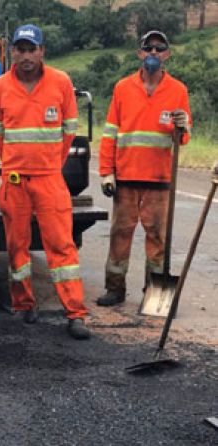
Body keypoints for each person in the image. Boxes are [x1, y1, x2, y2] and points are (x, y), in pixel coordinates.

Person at [0, 24, 90, 339]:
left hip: (49, 179)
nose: (26, 55)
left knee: (61, 245)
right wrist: (15, 165)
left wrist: (48, 164)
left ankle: (74, 313)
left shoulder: (61, 82)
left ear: (42, 51)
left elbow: (69, 130)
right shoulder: (0, 86)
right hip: (15, 179)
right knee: (16, 245)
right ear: (12, 53)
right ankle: (23, 305)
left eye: (32, 49)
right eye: (20, 49)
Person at [97, 30, 192, 307]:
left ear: (167, 55)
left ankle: (155, 295)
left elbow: (183, 138)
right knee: (120, 234)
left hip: (159, 178)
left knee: (158, 238)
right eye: (147, 49)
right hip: (126, 177)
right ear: (139, 53)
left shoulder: (178, 90)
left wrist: (182, 125)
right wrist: (106, 172)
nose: (153, 54)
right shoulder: (123, 88)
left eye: (158, 49)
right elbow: (110, 133)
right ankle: (115, 289)